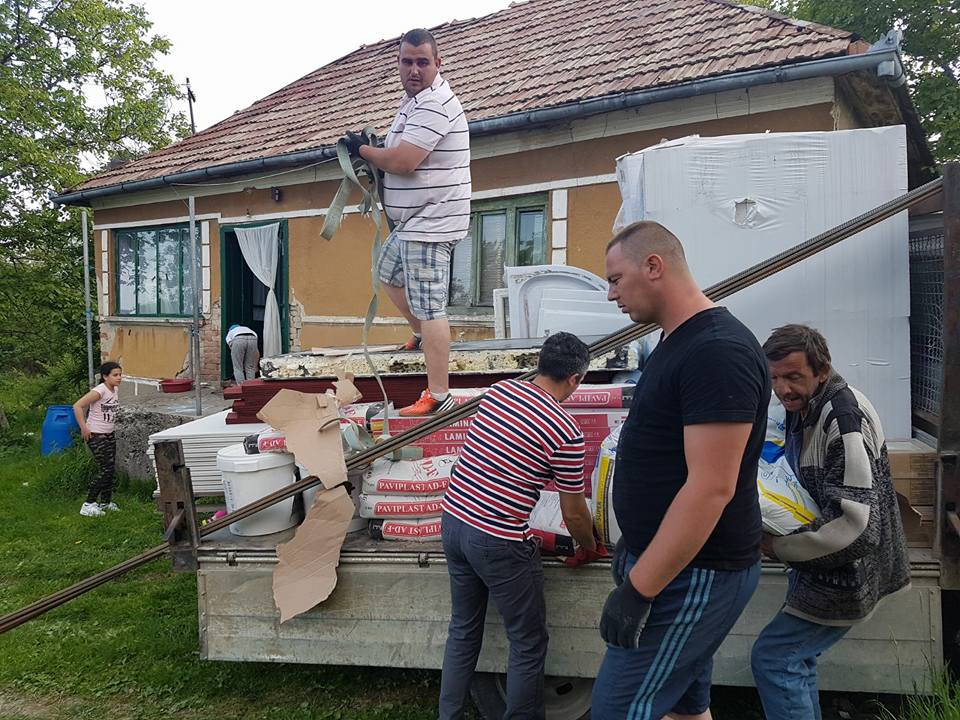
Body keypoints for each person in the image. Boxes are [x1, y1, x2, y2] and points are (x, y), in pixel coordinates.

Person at [592, 221, 769, 720]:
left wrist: (639, 589)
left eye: (616, 279)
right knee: (685, 710)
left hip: (695, 575)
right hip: (671, 565)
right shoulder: (677, 340)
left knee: (618, 709)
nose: (611, 294)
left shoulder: (717, 351)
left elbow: (711, 488)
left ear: (654, 266)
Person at [438, 332, 605, 720]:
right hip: (498, 541)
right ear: (575, 379)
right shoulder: (566, 430)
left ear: (540, 364)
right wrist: (589, 546)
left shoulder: (500, 391)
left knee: (463, 628)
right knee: (528, 642)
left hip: (454, 521)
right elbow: (574, 513)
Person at [751, 324, 910, 720]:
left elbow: (857, 528)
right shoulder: (806, 405)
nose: (782, 389)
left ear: (822, 371)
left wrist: (776, 546)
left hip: (845, 573)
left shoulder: (842, 419)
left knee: (776, 660)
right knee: (795, 661)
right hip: (822, 566)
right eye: (774, 378)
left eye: (793, 377)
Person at [343, 27, 471, 417]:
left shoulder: (434, 104)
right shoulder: (412, 102)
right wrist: (374, 147)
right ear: (398, 63)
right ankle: (420, 335)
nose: (414, 70)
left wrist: (362, 150)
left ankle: (439, 395)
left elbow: (403, 161)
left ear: (437, 63)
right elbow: (399, 150)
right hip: (414, 221)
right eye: (407, 62)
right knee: (388, 273)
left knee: (430, 307)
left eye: (422, 62)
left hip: (431, 223)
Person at [73, 361, 123, 517]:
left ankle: (105, 502)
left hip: (109, 433)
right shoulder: (99, 391)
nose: (119, 378)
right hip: (96, 434)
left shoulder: (114, 389)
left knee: (110, 469)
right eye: (115, 375)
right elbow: (77, 406)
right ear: (105, 376)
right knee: (106, 469)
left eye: (120, 374)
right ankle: (88, 504)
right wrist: (84, 427)